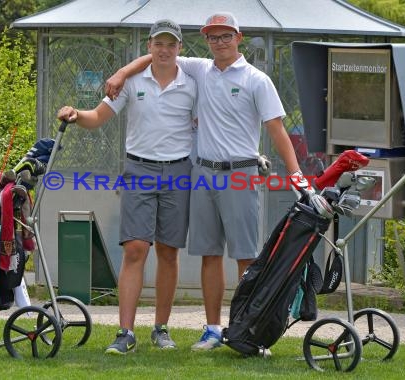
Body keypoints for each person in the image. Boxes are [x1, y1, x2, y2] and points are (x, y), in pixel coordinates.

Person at [105, 11, 313, 352]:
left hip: (241, 173)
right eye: (213, 37)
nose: (219, 42)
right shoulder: (199, 68)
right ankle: (214, 329)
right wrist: (122, 72)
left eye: (225, 36)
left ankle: (250, 329)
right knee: (210, 255)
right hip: (201, 174)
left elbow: (276, 129)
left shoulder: (256, 79)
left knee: (246, 257)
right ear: (206, 41)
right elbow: (157, 52)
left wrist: (296, 175)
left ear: (238, 38)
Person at [57, 19, 197, 355]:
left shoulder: (193, 82)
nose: (164, 50)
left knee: (167, 250)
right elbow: (98, 117)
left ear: (180, 48)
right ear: (149, 46)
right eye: (158, 44)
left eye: (171, 44)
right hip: (139, 169)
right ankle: (125, 332)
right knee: (135, 248)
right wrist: (77, 113)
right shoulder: (132, 82)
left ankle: (161, 329)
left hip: (179, 172)